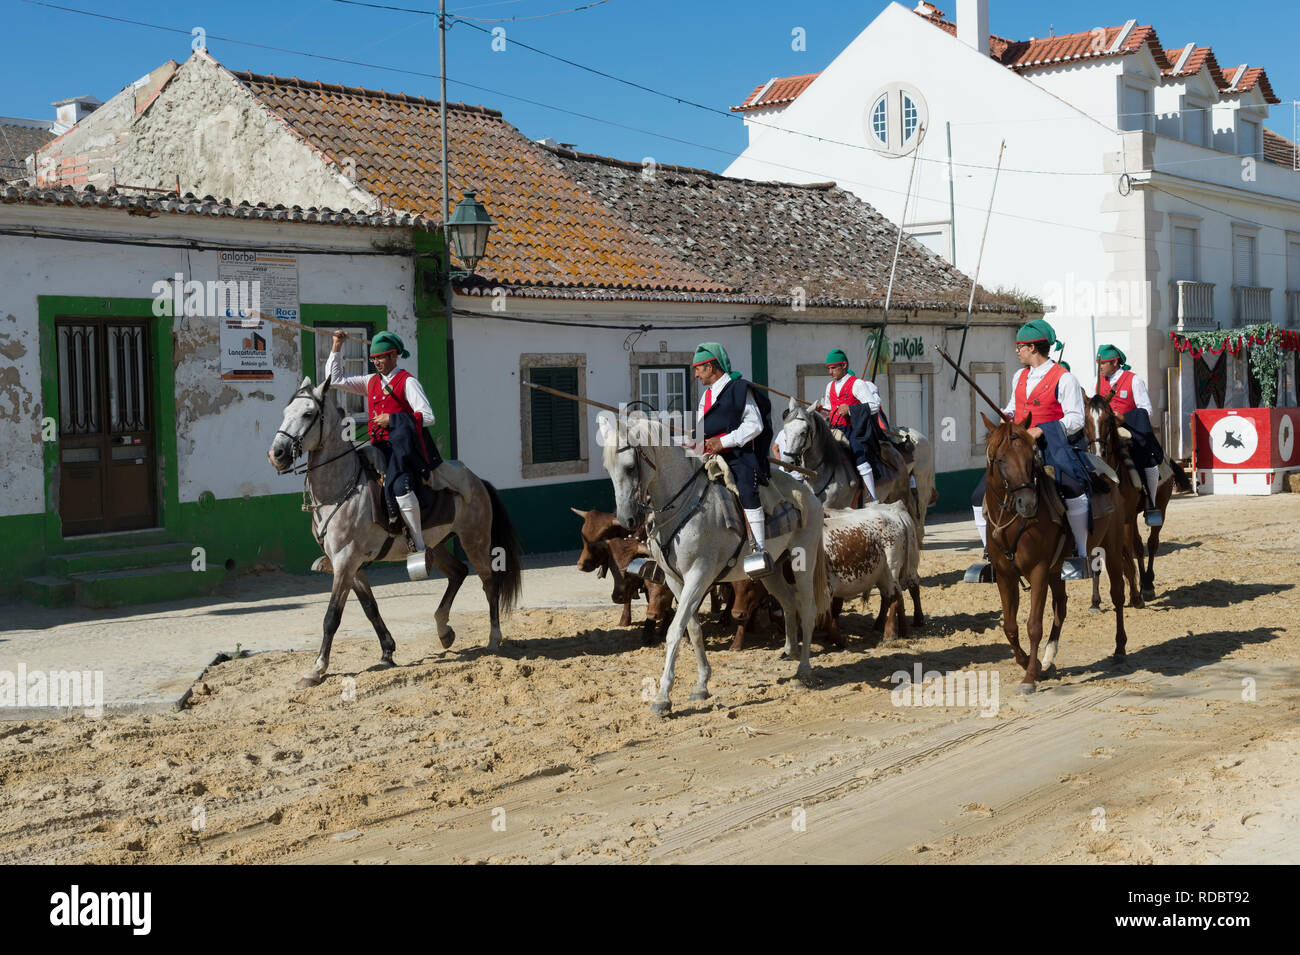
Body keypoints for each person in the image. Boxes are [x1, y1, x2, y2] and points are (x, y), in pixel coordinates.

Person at [971, 319, 1095, 580]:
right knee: (977, 495)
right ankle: (990, 554)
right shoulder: (1020, 376)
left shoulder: (1065, 378)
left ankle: (1080, 555)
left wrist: (1041, 430)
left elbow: (1075, 419)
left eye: (1020, 347)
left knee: (1074, 491)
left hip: (1053, 446)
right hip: (1018, 448)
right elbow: (1014, 408)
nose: (1017, 351)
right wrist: (1006, 417)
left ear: (1033, 348)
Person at [325, 329, 442, 563]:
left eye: (381, 357)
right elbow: (335, 380)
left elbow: (429, 417)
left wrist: (393, 419)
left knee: (400, 487)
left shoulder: (408, 382)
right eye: (374, 359)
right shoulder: (370, 381)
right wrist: (337, 346)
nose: (377, 362)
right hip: (376, 447)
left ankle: (418, 545)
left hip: (402, 450)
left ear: (393, 357)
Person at [692, 342, 775, 575]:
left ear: (710, 367)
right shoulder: (705, 396)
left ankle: (759, 550)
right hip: (708, 456)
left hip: (739, 456)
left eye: (698, 368)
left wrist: (723, 442)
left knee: (748, 490)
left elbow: (754, 425)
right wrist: (693, 437)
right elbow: (700, 428)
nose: (696, 374)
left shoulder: (739, 389)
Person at [1096, 344, 1164, 527]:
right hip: (1104, 430)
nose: (1100, 367)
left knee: (1148, 462)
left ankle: (1151, 502)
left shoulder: (1134, 380)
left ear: (1115, 362)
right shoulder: (1098, 381)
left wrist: (1125, 417)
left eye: (1103, 363)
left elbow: (1146, 409)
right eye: (1099, 364)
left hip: (1128, 428)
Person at [810, 348, 885, 500]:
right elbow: (831, 409)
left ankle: (873, 497)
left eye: (833, 368)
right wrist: (821, 411)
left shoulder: (857, 384)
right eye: (828, 368)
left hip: (853, 429)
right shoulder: (829, 386)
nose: (830, 372)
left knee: (860, 458)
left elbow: (874, 406)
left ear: (843, 365)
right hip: (834, 429)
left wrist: (851, 409)